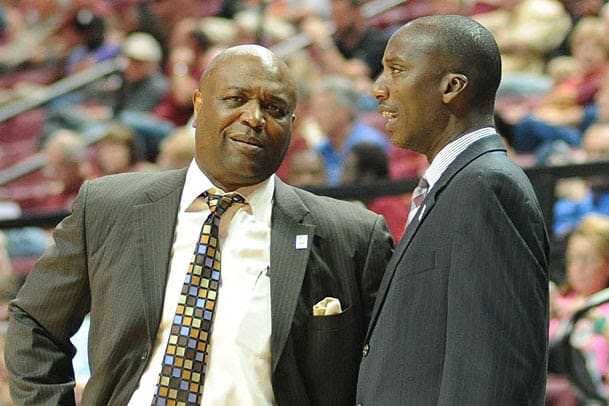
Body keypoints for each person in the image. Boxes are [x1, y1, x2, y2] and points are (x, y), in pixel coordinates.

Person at [5, 44, 393, 405]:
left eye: (274, 109)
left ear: (293, 124)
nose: (254, 118)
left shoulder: (353, 235)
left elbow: (393, 367)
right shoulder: (109, 207)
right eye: (236, 99)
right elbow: (35, 323)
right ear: (198, 105)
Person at [356, 15, 550, 405]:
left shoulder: (486, 186)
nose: (379, 89)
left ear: (451, 87)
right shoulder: (457, 184)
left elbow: (493, 372)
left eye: (397, 70)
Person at [548, 214, 609, 400]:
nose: (578, 267)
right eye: (573, 259)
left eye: (587, 260)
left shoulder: (603, 309)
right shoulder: (556, 303)